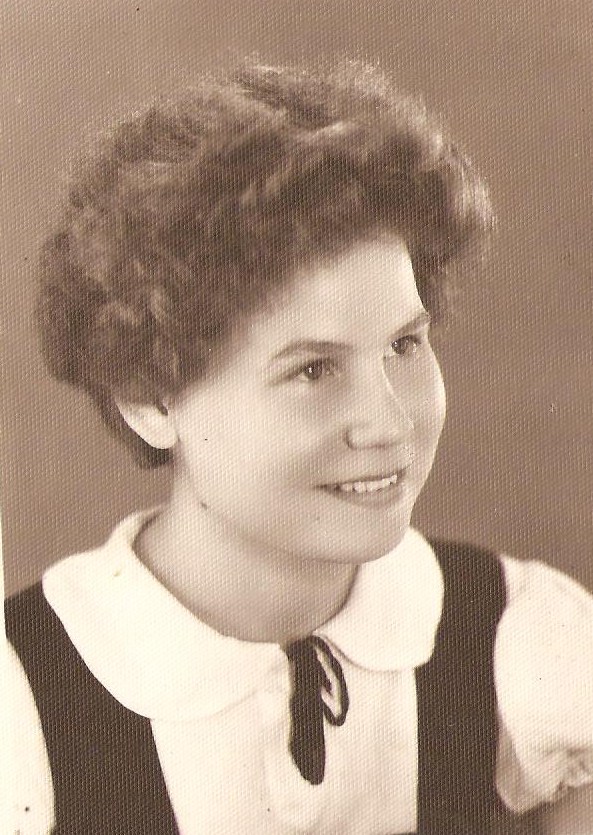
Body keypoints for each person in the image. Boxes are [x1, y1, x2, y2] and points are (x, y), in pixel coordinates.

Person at [4, 61, 593, 834]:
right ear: (149, 400)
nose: (388, 424)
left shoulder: (517, 634)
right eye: (312, 369)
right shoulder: (24, 697)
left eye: (404, 344)